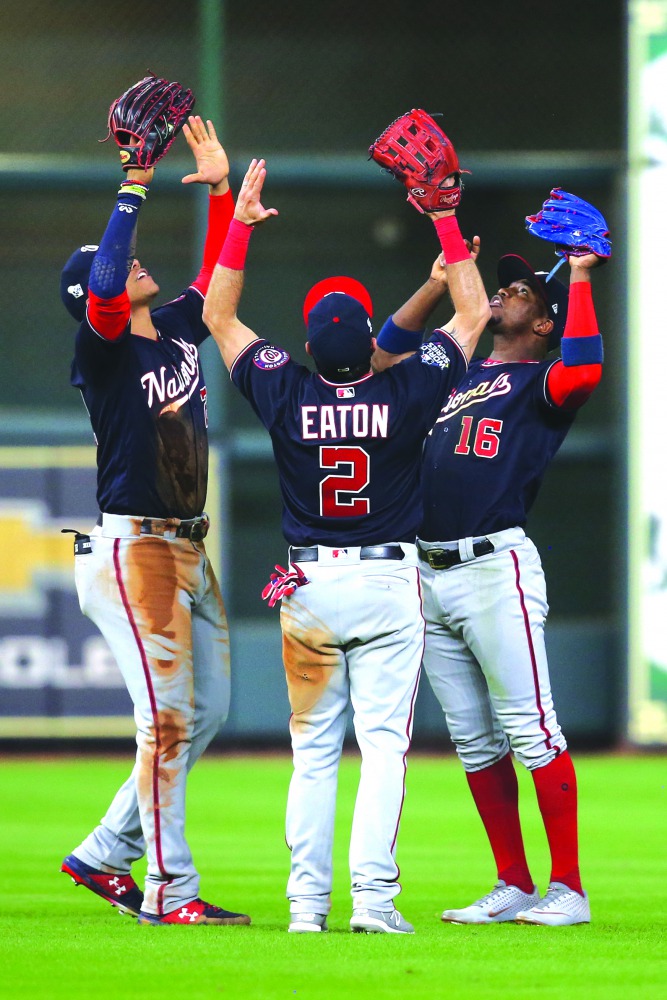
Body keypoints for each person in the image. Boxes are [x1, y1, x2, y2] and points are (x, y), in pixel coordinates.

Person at [202, 157, 490, 933]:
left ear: (304, 341)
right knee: (384, 750)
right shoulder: (405, 388)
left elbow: (219, 320)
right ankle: (371, 902)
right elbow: (470, 318)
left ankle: (305, 908)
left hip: (307, 589)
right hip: (387, 583)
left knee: (313, 755)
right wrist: (440, 212)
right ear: (370, 344)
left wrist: (240, 225)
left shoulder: (282, 386)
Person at [373, 217, 605, 926]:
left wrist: (583, 274)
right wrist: (442, 277)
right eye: (504, 282)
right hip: (428, 572)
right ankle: (512, 882)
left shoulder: (541, 381)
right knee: (474, 740)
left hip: (492, 565)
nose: (509, 290)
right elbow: (383, 362)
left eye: (527, 290)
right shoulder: (460, 375)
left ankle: (567, 888)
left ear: (544, 324)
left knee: (531, 729)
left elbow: (587, 367)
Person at [58, 115, 250, 927]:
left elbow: (214, 284)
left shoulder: (169, 329)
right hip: (134, 548)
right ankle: (170, 894)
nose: (132, 264)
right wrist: (133, 182)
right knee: (166, 722)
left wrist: (223, 198)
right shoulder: (101, 346)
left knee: (205, 714)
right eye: (114, 266)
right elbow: (103, 285)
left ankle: (104, 852)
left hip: (185, 546)